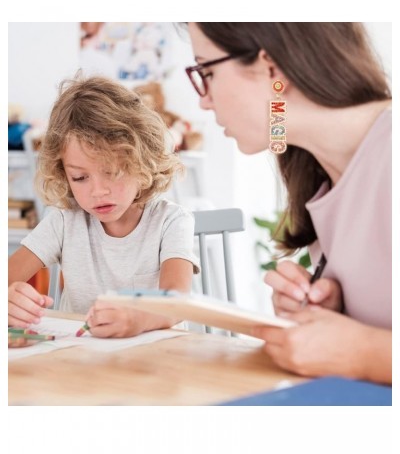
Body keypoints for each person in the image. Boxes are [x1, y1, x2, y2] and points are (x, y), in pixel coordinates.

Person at [184, 22, 391, 384]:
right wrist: (331, 316)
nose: (203, 99)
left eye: (207, 71)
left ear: (271, 68)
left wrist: (363, 351)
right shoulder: (321, 176)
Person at [8, 75, 199, 338]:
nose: (98, 191)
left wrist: (138, 318)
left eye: (112, 172)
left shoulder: (172, 221)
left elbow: (177, 303)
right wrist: (8, 300)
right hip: (84, 364)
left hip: (158, 364)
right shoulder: (64, 222)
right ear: (63, 173)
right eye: (80, 178)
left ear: (142, 161)